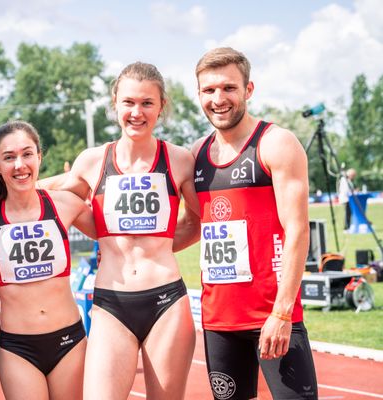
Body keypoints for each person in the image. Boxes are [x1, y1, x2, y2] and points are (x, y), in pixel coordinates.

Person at [58, 62, 200, 399]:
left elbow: (199, 221)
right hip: (111, 303)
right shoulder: (92, 161)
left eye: (147, 103)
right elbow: (62, 203)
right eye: (129, 103)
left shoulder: (179, 160)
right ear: (115, 103)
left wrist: (161, 245)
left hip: (166, 300)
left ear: (162, 106)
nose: (137, 112)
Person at [184, 47, 318, 400]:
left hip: (272, 316)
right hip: (218, 321)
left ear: (249, 89)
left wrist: (282, 312)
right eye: (209, 90)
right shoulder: (196, 153)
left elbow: (297, 231)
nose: (219, 99)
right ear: (199, 95)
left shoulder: (276, 143)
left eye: (229, 88)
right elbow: (192, 224)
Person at [0, 121, 96, 400]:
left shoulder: (64, 204)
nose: (19, 164)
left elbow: (116, 239)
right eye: (9, 157)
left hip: (69, 342)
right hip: (18, 348)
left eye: (27, 154)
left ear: (40, 156)